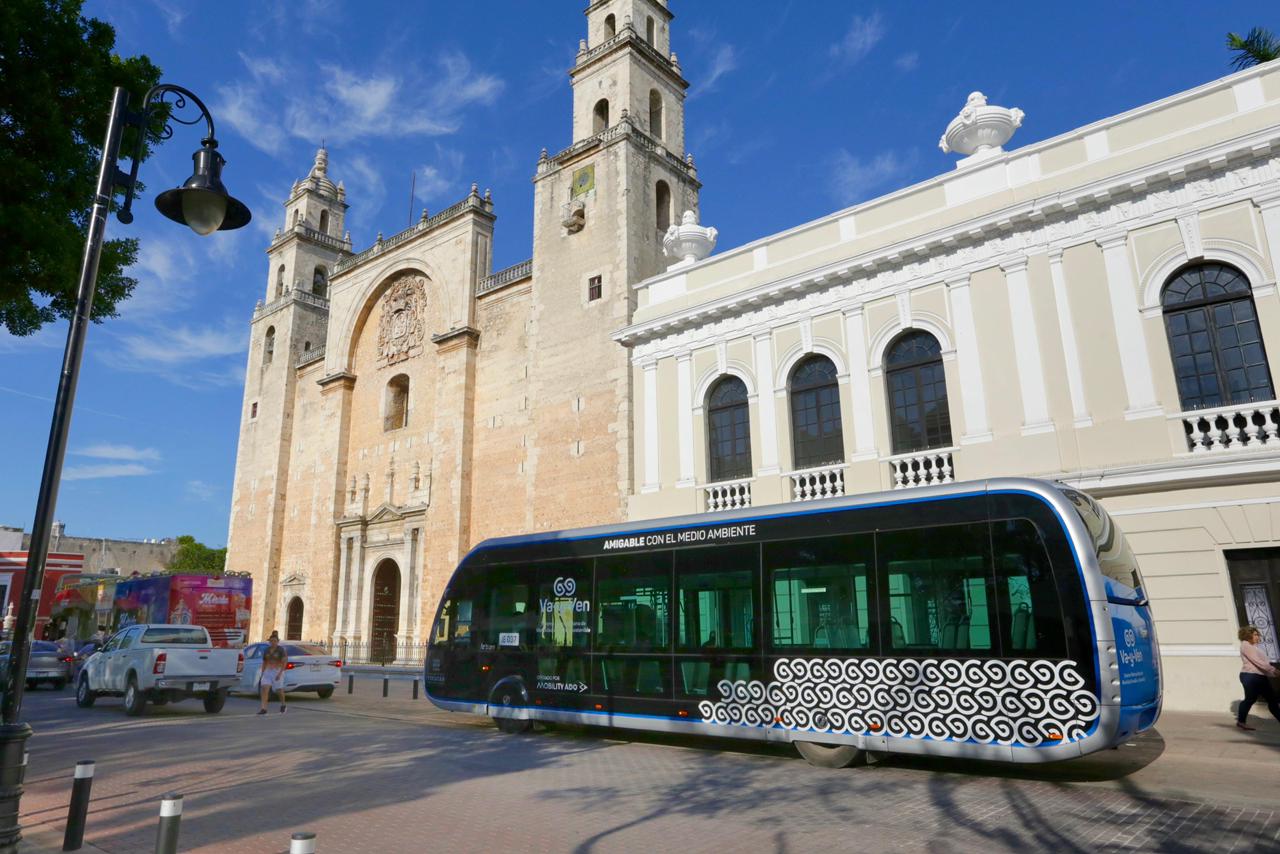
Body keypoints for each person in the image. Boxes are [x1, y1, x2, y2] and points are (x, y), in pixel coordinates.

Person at [1236, 625, 1280, 731]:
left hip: (1258, 677)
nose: (1257, 636)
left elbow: (1261, 665)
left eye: (1257, 634)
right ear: (1248, 635)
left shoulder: (1253, 647)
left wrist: (1272, 673)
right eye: (1255, 634)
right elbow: (1258, 662)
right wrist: (1273, 670)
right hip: (1250, 676)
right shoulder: (1245, 645)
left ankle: (1241, 722)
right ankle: (1241, 722)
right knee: (1250, 699)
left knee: (1272, 699)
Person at [258, 631, 289, 715]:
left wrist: (280, 673)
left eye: (275, 641)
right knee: (264, 689)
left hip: (277, 671)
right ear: (269, 642)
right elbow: (264, 661)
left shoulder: (281, 650)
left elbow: (284, 662)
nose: (273, 643)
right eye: (271, 641)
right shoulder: (267, 650)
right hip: (267, 671)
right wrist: (262, 672)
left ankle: (283, 705)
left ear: (277, 641)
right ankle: (264, 708)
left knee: (279, 690)